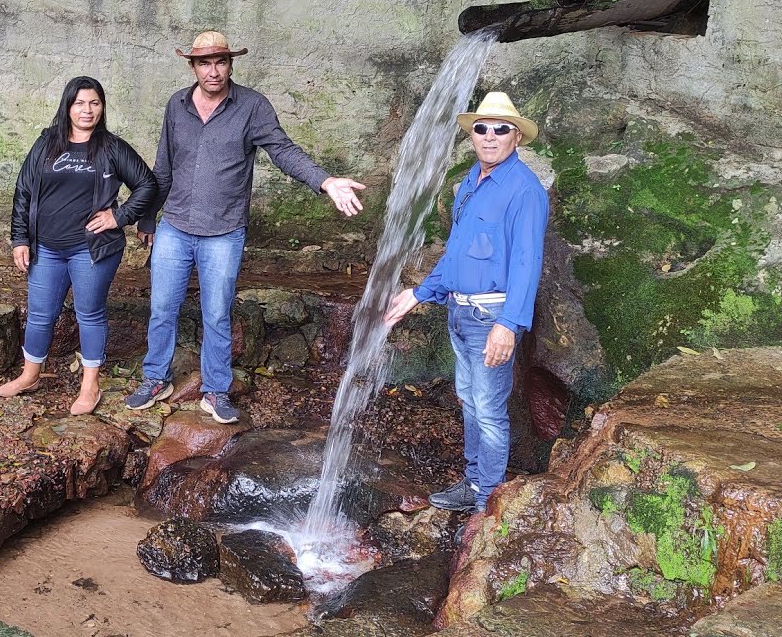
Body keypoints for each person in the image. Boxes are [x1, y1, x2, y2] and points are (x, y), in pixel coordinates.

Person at [126, 31, 367, 424]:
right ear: (193, 66)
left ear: (231, 64)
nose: (213, 71)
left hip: (223, 231)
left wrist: (325, 181)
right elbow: (164, 167)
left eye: (221, 62)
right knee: (162, 308)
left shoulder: (252, 106)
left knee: (217, 313)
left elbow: (283, 151)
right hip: (175, 226)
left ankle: (216, 390)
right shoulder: (177, 105)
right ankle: (156, 378)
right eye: (204, 63)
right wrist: (149, 216)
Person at [384, 91, 549, 514]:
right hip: (459, 311)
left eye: (501, 129)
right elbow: (455, 253)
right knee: (471, 400)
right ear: (472, 135)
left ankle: (487, 502)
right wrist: (418, 293)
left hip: (490, 315)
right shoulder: (469, 185)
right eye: (482, 128)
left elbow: (528, 263)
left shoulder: (524, 190)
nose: (489, 136)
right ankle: (474, 482)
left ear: (516, 138)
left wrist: (508, 325)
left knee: (490, 411)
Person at [0, 76, 158, 415]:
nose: (87, 110)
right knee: (40, 314)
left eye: (94, 103)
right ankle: (30, 375)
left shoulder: (112, 148)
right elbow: (24, 191)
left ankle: (90, 385)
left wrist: (120, 217)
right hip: (48, 248)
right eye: (80, 103)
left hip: (91, 249)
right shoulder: (46, 143)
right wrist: (20, 238)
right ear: (68, 106)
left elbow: (148, 184)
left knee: (90, 314)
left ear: (102, 107)